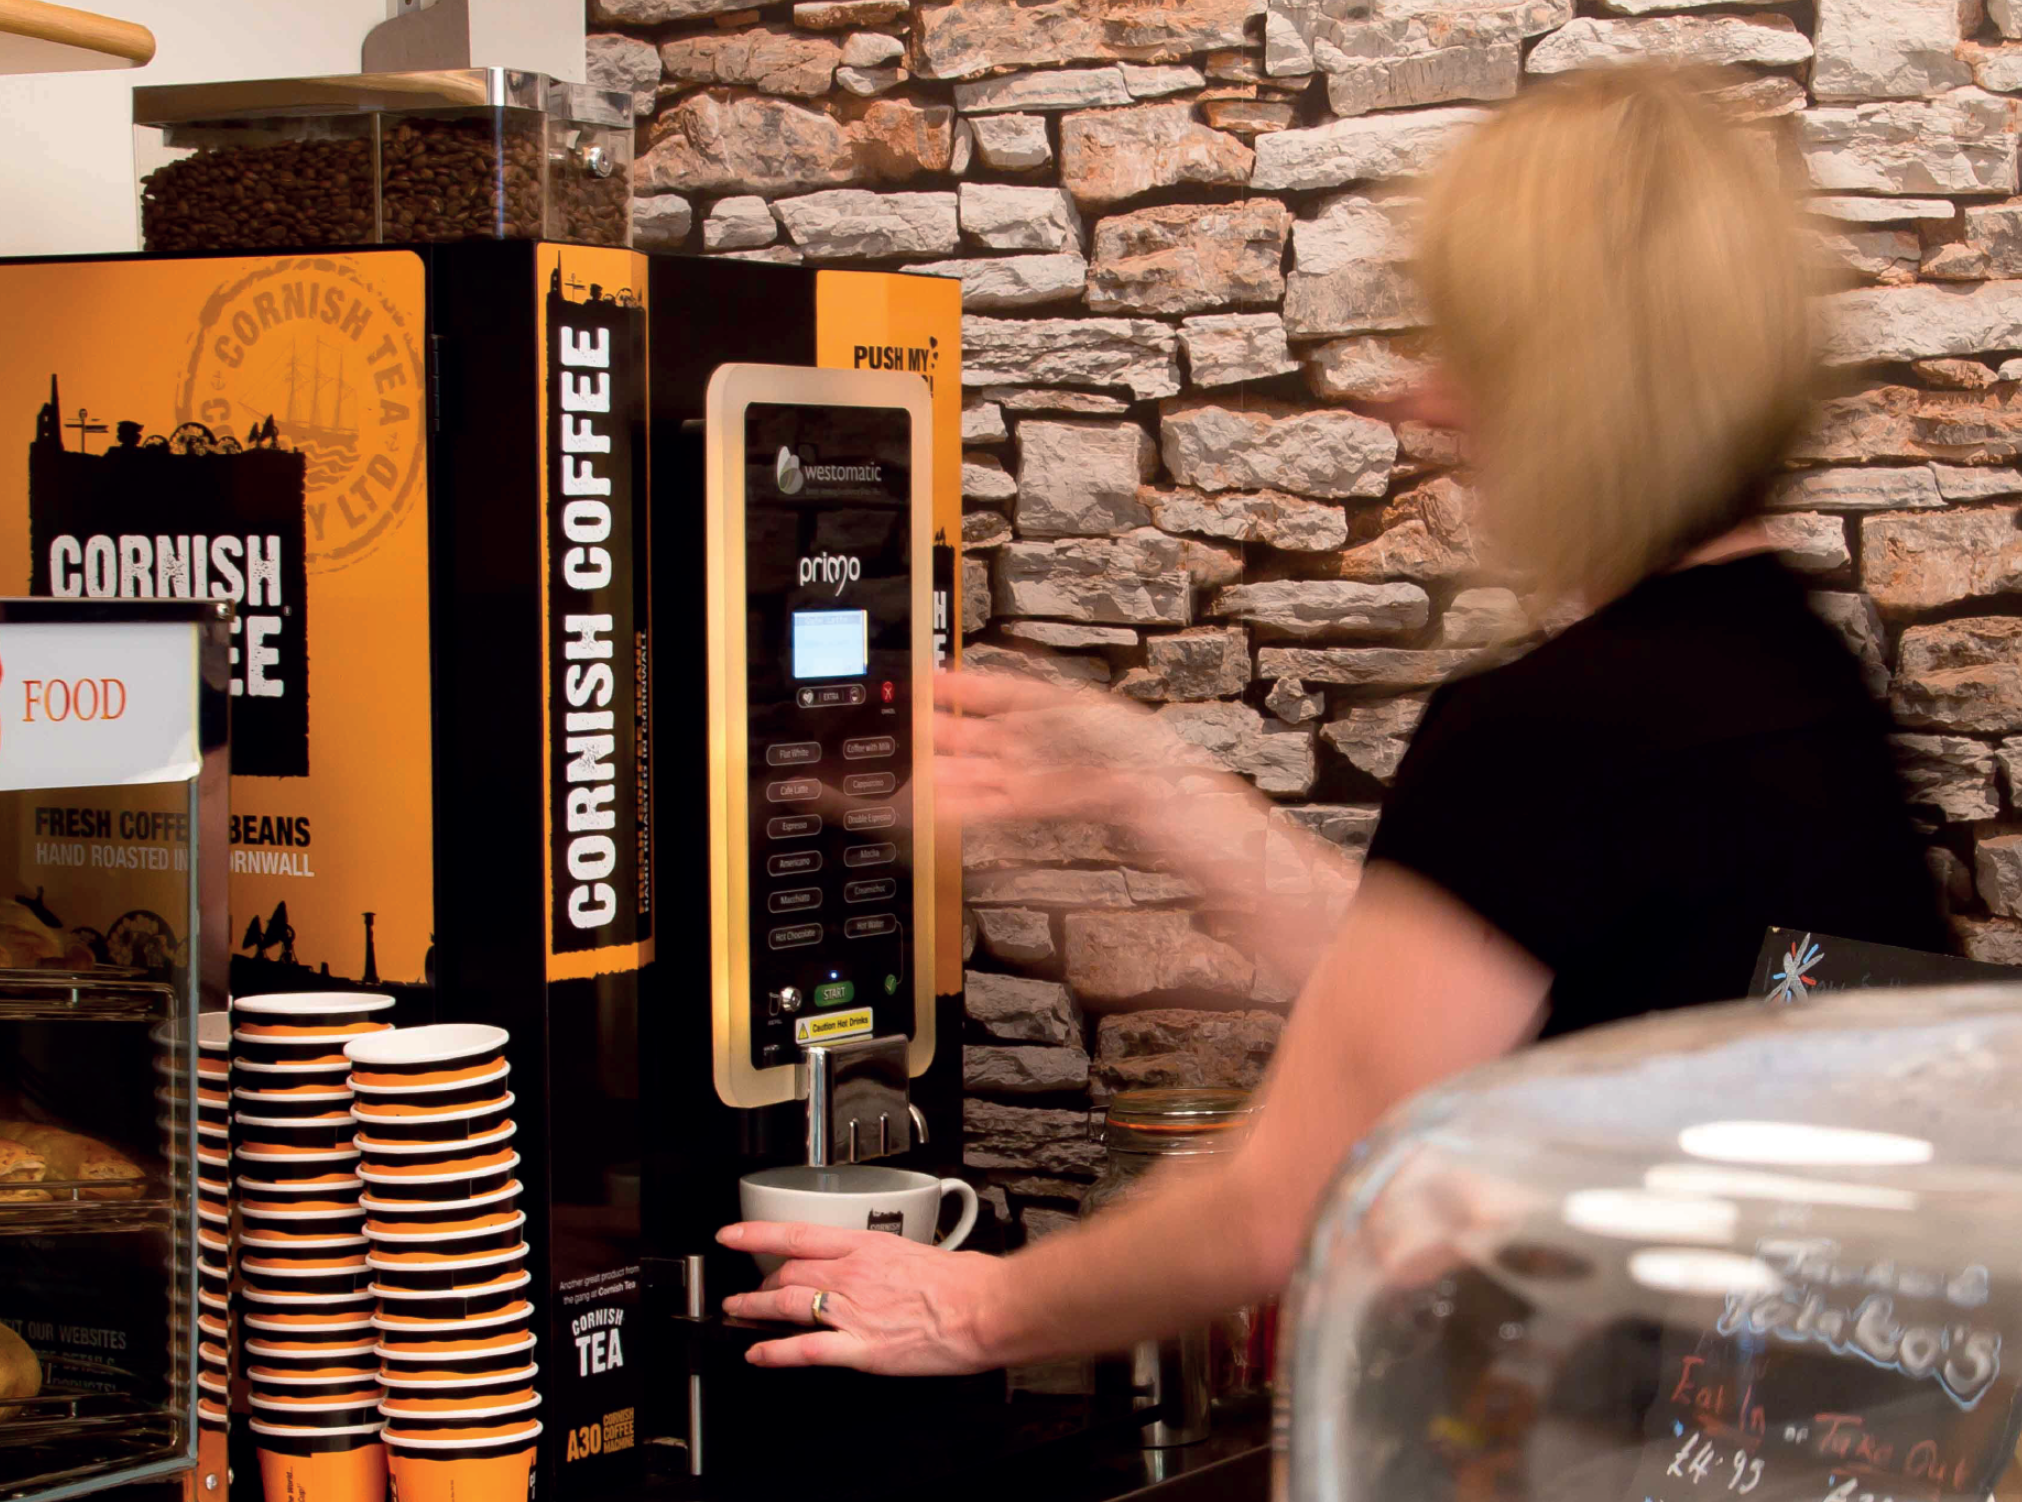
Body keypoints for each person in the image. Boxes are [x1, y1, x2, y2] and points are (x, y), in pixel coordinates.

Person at [718, 64, 1952, 1373]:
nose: (1423, 401)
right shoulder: (1791, 676)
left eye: (1465, 348)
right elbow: (1477, 975)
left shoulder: (1563, 729)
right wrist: (1144, 783)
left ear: (1568, 382)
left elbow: (1285, 1193)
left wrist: (971, 1310)